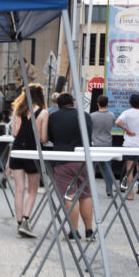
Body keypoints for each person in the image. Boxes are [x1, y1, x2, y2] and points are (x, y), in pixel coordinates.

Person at [42, 93, 94, 239]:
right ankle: (89, 231)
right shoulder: (85, 116)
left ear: (58, 105)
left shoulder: (53, 117)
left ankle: (74, 231)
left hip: (63, 159)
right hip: (84, 159)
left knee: (70, 195)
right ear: (73, 103)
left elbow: (49, 138)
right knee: (86, 195)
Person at [8, 84, 47, 237]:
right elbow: (43, 138)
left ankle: (18, 222)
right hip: (33, 153)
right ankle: (25, 220)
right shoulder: (43, 113)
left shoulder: (18, 111)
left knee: (19, 189)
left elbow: (14, 133)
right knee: (32, 190)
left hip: (17, 151)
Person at [115, 93, 139, 201]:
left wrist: (127, 130)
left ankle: (130, 194)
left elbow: (117, 122)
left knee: (129, 169)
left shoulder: (127, 113)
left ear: (130, 102)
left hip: (129, 144)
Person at [90, 95, 117, 196]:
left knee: (92, 168)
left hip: (95, 144)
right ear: (107, 103)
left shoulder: (92, 116)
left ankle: (89, 189)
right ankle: (109, 190)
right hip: (107, 144)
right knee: (107, 169)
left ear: (97, 103)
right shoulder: (112, 115)